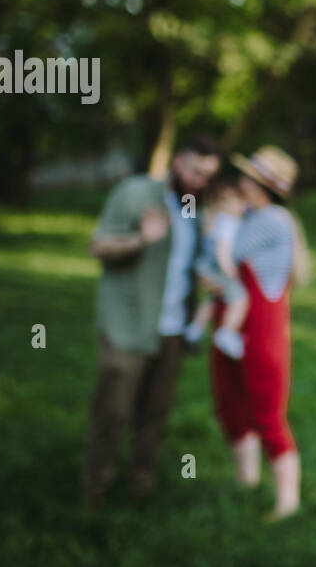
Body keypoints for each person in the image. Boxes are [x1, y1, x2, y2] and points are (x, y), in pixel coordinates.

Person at [82, 134, 222, 507]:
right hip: (127, 324)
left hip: (172, 330)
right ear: (178, 162)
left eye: (207, 176)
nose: (198, 181)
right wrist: (141, 239)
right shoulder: (136, 193)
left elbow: (188, 260)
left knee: (155, 416)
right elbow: (99, 247)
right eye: (194, 170)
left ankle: (141, 490)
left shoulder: (194, 205)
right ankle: (95, 491)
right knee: (112, 414)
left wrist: (205, 276)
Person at [208, 145, 309, 520]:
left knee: (266, 415)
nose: (240, 183)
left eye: (248, 178)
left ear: (264, 186)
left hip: (260, 335)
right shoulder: (249, 216)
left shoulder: (272, 220)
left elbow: (225, 257)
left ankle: (288, 501)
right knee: (231, 407)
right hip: (231, 326)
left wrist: (223, 223)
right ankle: (245, 484)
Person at [184, 174, 249, 360]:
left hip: (205, 267)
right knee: (240, 299)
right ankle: (227, 332)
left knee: (212, 301)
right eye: (240, 202)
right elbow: (223, 249)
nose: (243, 207)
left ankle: (194, 328)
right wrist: (230, 271)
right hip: (217, 268)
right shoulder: (228, 223)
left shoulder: (214, 218)